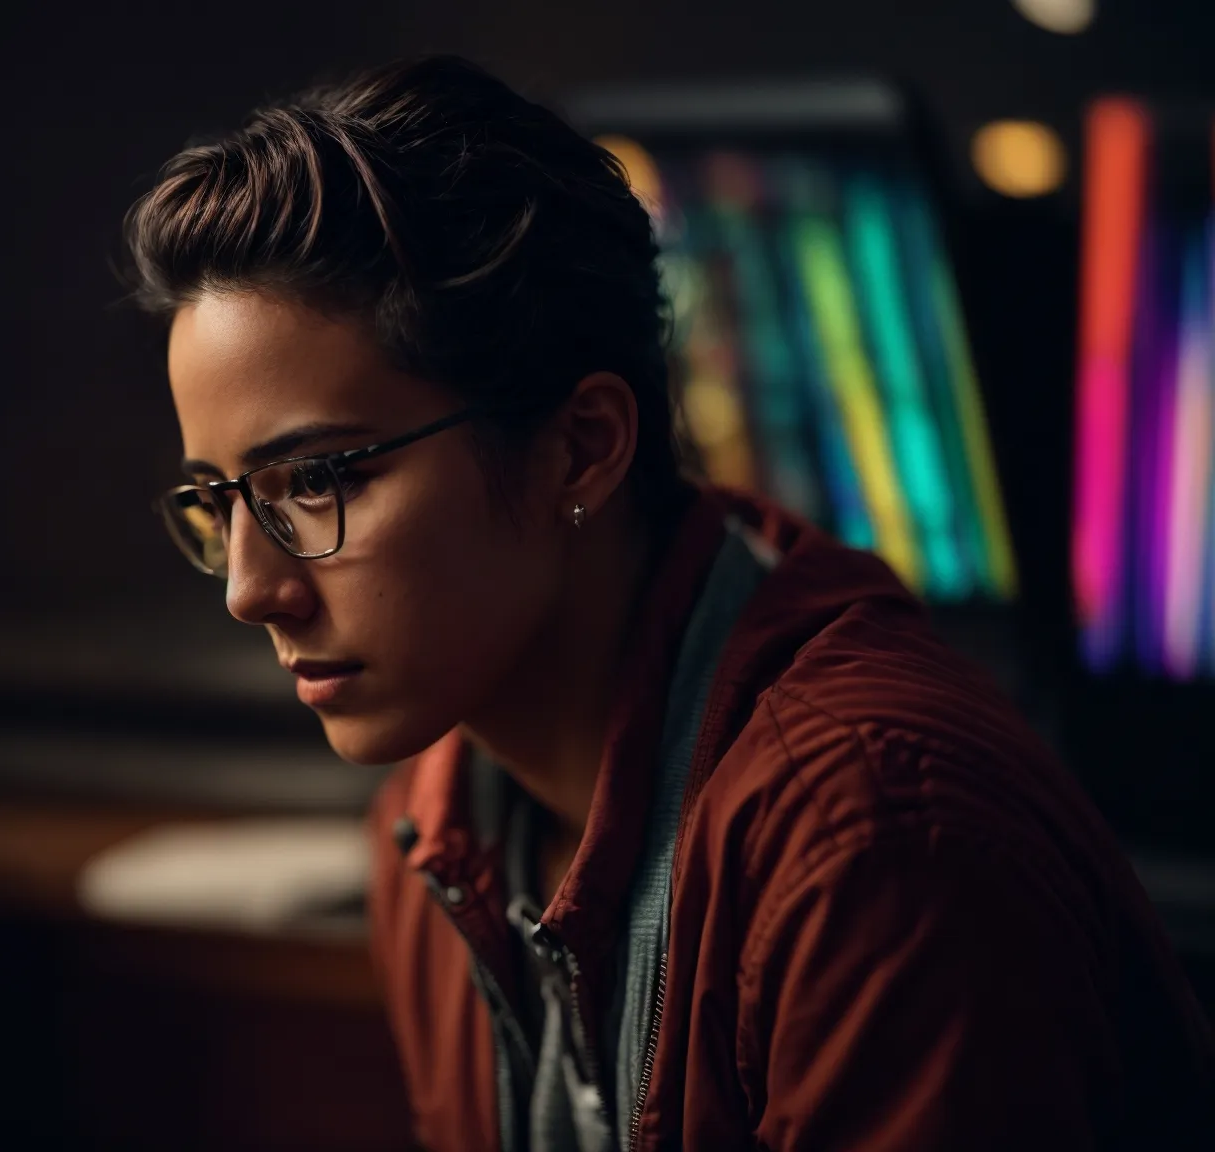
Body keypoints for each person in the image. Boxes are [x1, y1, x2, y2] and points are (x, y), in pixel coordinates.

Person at [122, 55, 1214, 1151]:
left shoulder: (868, 843)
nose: (249, 590)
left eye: (314, 481)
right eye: (216, 504)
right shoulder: (435, 829)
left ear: (580, 448)